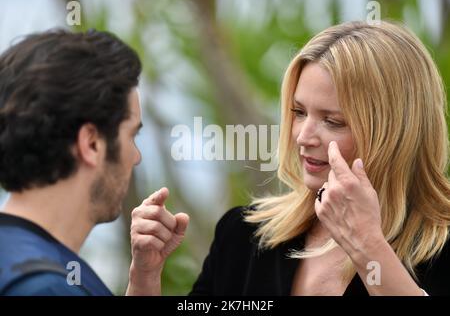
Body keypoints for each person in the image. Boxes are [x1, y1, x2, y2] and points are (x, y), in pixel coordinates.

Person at [129, 20, 450, 296]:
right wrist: (144, 277)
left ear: (395, 132)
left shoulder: (441, 247)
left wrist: (370, 248)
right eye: (298, 112)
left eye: (333, 121)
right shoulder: (244, 235)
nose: (303, 136)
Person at [0, 29, 189, 295]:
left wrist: (144, 279)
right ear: (91, 143)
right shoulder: (47, 287)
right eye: (132, 134)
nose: (136, 157)